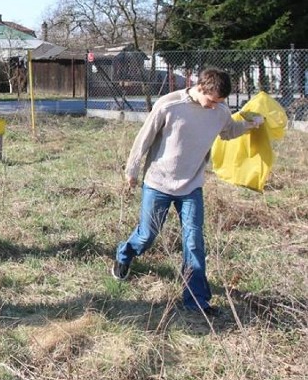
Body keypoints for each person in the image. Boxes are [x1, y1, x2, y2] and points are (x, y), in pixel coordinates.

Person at [111, 68, 263, 317]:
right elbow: (144, 138)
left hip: (191, 185)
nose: (215, 107)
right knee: (147, 234)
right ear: (200, 88)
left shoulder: (220, 112)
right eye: (212, 100)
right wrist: (132, 170)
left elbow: (229, 131)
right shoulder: (170, 105)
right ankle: (124, 255)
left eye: (220, 102)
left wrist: (250, 125)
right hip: (158, 182)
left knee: (194, 242)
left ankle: (196, 301)